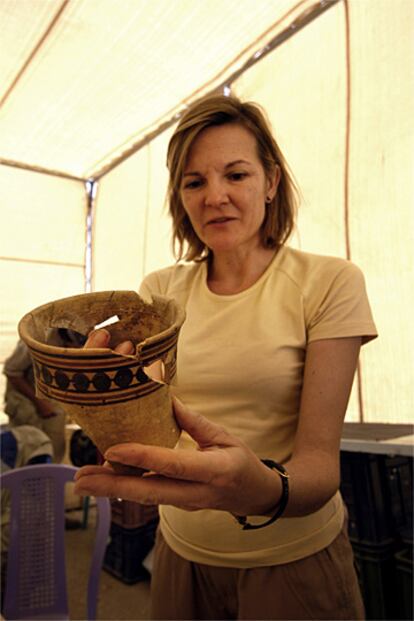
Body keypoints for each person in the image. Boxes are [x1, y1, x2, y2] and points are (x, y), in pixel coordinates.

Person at [74, 94, 378, 620]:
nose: (215, 196)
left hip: (291, 559)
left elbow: (318, 471)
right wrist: (103, 400)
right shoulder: (162, 291)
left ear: (272, 183)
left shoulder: (328, 282)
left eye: (236, 175)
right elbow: (150, 426)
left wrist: (256, 487)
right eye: (194, 182)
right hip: (181, 552)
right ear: (181, 197)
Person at [3, 328, 86, 463]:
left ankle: (51, 478)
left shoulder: (81, 336)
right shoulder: (36, 339)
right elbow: (12, 372)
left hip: (52, 400)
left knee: (55, 449)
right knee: (29, 452)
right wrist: (40, 403)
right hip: (26, 403)